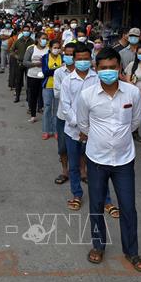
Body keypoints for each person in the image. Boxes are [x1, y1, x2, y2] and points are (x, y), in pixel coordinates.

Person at [77, 47, 141, 272]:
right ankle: (98, 245)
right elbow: (83, 125)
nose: (108, 71)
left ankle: (132, 251)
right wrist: (102, 139)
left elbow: (135, 122)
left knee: (128, 207)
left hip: (124, 160)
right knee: (96, 205)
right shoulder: (87, 94)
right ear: (96, 69)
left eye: (112, 67)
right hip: (96, 159)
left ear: (119, 68)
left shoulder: (132, 93)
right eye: (103, 68)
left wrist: (118, 139)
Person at [60, 44, 100, 212]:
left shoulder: (97, 78)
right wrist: (80, 125)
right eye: (79, 59)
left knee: (97, 165)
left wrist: (88, 127)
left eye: (86, 59)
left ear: (91, 59)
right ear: (74, 60)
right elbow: (65, 106)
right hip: (73, 130)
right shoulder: (68, 80)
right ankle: (76, 194)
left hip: (94, 130)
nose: (83, 62)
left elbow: (100, 103)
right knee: (74, 165)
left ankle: (103, 198)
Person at [53, 42, 76, 184]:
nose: (68, 57)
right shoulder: (59, 72)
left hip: (81, 115)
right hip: (63, 115)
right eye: (66, 54)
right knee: (62, 146)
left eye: (71, 55)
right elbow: (57, 93)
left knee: (82, 145)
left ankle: (82, 171)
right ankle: (64, 171)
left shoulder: (87, 73)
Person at [124, 43, 141, 144]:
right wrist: (139, 92)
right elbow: (128, 80)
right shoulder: (132, 65)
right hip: (135, 95)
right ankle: (127, 141)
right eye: (140, 53)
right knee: (131, 119)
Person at [24, 33, 50, 124]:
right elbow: (25, 62)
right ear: (38, 39)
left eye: (46, 39)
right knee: (33, 95)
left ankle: (44, 111)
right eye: (43, 38)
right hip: (33, 75)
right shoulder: (31, 49)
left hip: (45, 76)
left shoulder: (49, 50)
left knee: (45, 96)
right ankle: (33, 115)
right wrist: (35, 64)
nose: (45, 41)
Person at [41, 40, 62, 139]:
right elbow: (45, 72)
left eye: (58, 48)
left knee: (57, 109)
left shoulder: (62, 58)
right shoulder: (45, 58)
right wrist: (58, 69)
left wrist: (53, 70)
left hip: (59, 87)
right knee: (47, 108)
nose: (56, 49)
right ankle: (46, 131)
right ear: (50, 48)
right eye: (55, 47)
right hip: (48, 86)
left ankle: (56, 130)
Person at [9, 26, 34, 103]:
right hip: (20, 63)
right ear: (22, 32)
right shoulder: (18, 41)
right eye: (25, 30)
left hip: (28, 64)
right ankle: (17, 96)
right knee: (18, 81)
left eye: (27, 31)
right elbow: (11, 50)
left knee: (29, 82)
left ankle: (28, 97)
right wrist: (16, 56)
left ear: (30, 32)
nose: (26, 32)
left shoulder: (32, 42)